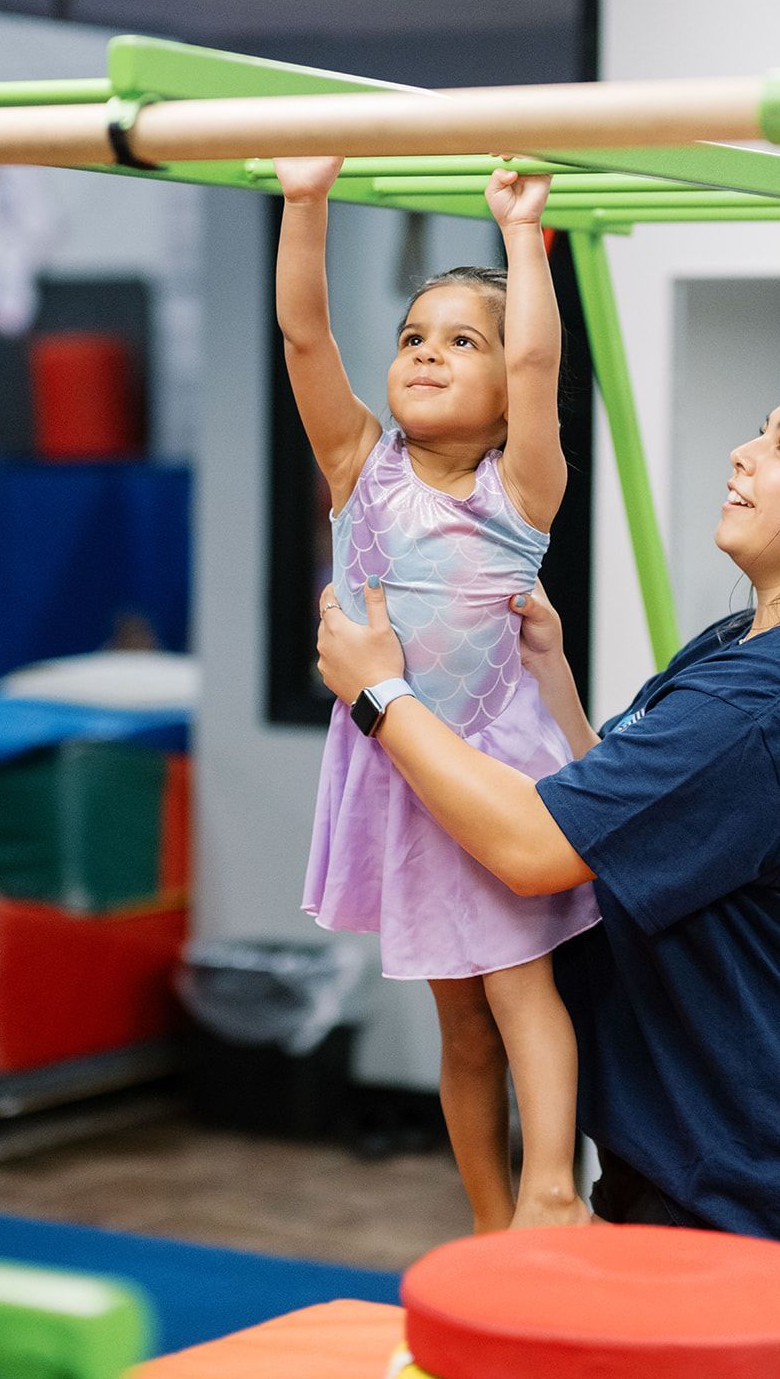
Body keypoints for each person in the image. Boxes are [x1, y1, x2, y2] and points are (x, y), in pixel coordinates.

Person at [315, 374, 780, 1247]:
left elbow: (535, 849)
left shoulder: (769, 701)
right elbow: (613, 819)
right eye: (761, 430)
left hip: (747, 1198)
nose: (743, 452)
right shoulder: (747, 650)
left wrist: (378, 695)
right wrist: (557, 687)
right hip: (698, 1165)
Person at [273, 154, 599, 1233]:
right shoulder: (359, 463)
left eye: (464, 342)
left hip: (494, 771)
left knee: (517, 990)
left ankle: (552, 1187)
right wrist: (305, 203)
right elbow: (306, 338)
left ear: (507, 392)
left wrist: (522, 233)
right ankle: (487, 1221)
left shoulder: (520, 488)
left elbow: (545, 358)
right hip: (396, 773)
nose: (426, 352)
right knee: (457, 1024)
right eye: (415, 335)